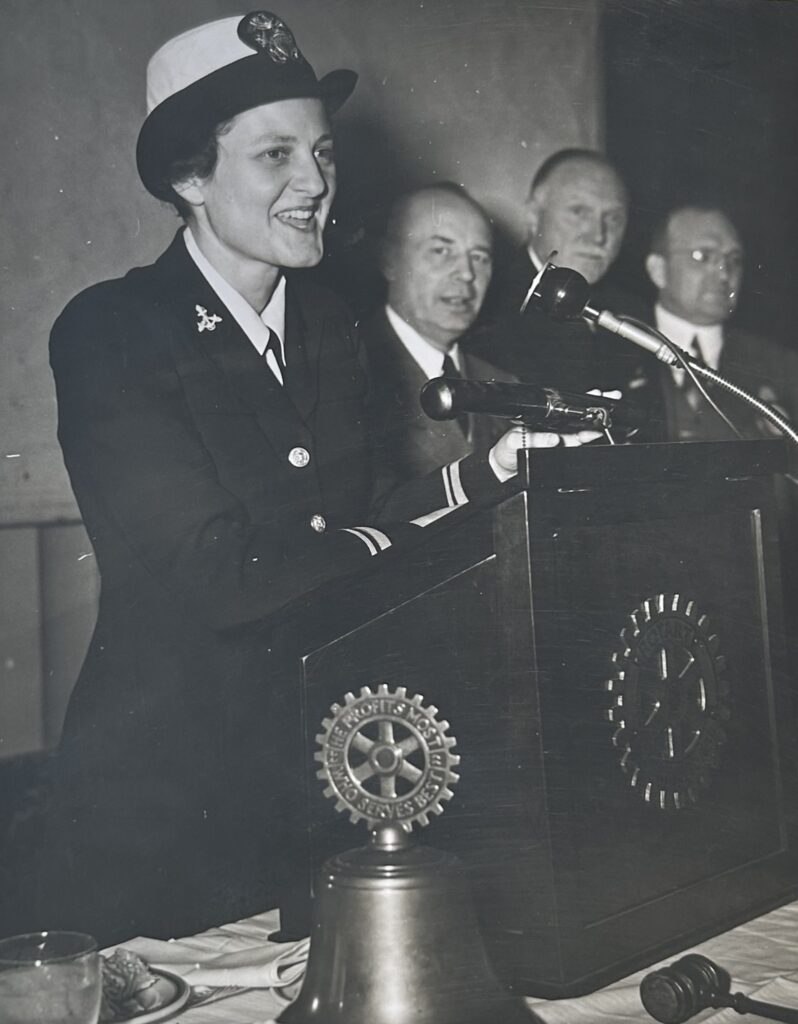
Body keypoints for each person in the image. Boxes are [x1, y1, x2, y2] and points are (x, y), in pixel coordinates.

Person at [41, 11, 593, 945]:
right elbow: (222, 576)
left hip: (316, 789)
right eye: (275, 156)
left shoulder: (331, 324)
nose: (315, 184)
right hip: (164, 818)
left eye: (324, 153)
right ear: (189, 178)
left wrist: (484, 479)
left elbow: (362, 516)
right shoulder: (116, 332)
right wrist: (381, 540)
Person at [361, 184, 516, 481]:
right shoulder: (350, 374)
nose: (467, 274)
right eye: (441, 251)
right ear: (390, 261)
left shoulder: (505, 383)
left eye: (480, 257)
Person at [468, 149, 651, 399]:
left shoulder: (634, 314)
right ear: (534, 215)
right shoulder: (485, 307)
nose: (598, 235)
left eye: (614, 218)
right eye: (579, 212)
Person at [644, 205, 798, 442]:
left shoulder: (780, 366)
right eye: (702, 256)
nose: (724, 273)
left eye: (734, 260)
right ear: (658, 270)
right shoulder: (612, 345)